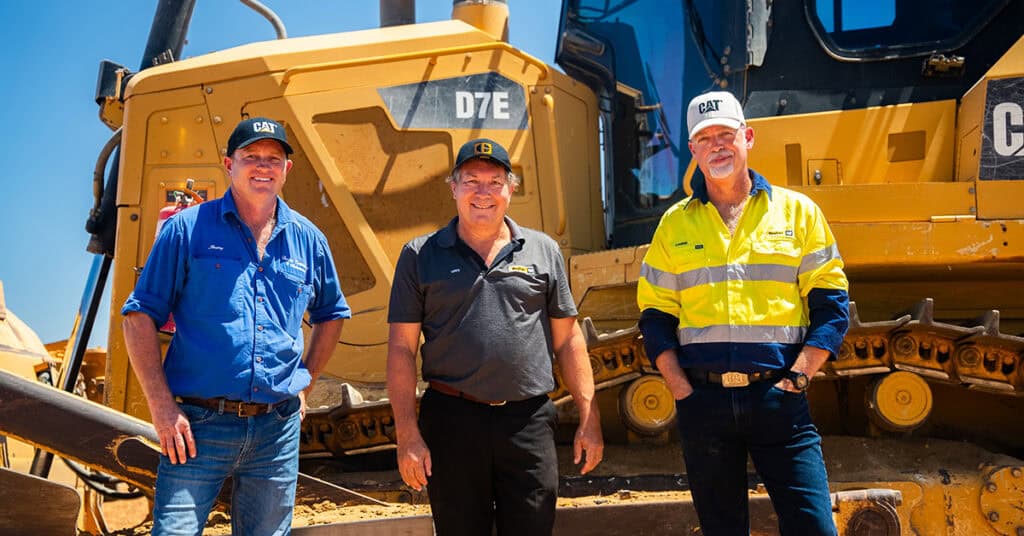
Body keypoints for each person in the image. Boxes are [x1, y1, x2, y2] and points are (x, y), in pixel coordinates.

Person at [122, 117, 349, 535]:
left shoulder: (309, 240)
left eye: (273, 159)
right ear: (229, 163)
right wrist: (161, 408)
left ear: (287, 170)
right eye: (251, 157)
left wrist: (304, 384)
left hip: (276, 431)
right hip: (197, 427)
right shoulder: (186, 230)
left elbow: (332, 314)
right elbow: (138, 317)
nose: (262, 167)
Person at [637, 91, 849, 535]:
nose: (717, 145)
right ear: (693, 151)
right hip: (704, 403)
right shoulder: (674, 224)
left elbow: (830, 305)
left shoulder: (799, 213)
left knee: (814, 527)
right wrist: (682, 392)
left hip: (779, 399)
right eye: (705, 138)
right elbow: (656, 317)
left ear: (747, 137)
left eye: (726, 135)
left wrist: (799, 377)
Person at [386, 138, 604, 535]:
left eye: (494, 182)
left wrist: (590, 417)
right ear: (452, 186)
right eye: (471, 181)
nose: (483, 193)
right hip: (452, 422)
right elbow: (401, 349)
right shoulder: (420, 255)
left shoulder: (543, 250)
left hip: (528, 421)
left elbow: (568, 340)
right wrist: (407, 434)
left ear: (511, 188)